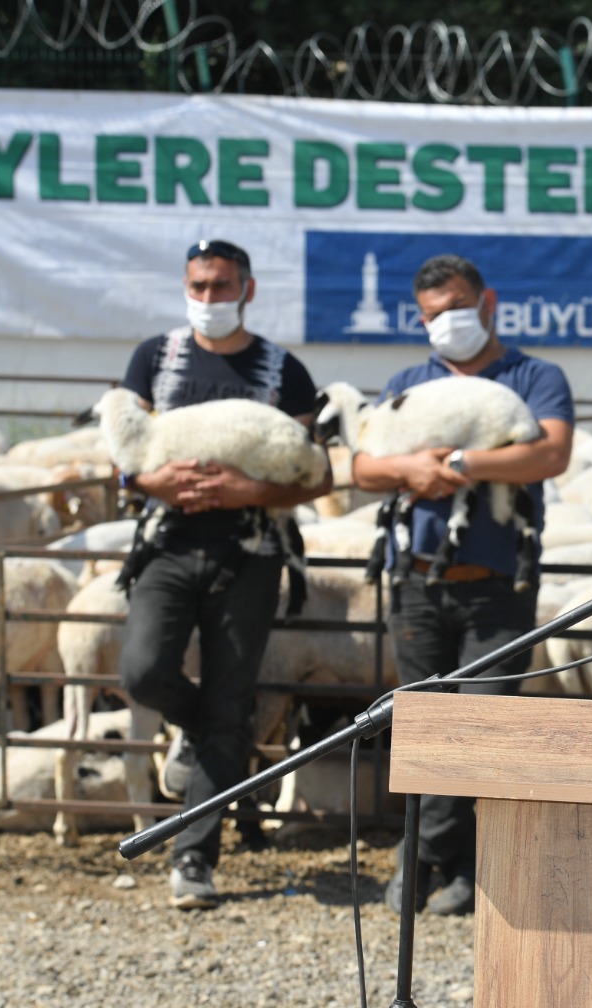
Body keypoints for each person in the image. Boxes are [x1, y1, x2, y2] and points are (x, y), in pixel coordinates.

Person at [353, 254, 574, 916]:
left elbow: (550, 451)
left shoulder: (534, 377)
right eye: (431, 314)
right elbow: (363, 465)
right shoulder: (409, 382)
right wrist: (409, 470)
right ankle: (452, 864)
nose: (445, 322)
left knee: (481, 723)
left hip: (498, 585)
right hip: (418, 583)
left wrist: (459, 462)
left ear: (487, 303)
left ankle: (425, 857)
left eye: (455, 308)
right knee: (424, 723)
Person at [117, 238, 330, 910]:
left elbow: (313, 472)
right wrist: (150, 482)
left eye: (222, 286)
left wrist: (251, 490)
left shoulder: (284, 371)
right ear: (186, 287)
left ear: (247, 290)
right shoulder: (155, 358)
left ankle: (194, 857)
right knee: (143, 672)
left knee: (232, 701)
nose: (209, 297)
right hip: (168, 544)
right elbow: (124, 453)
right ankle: (194, 723)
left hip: (252, 551)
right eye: (199, 286)